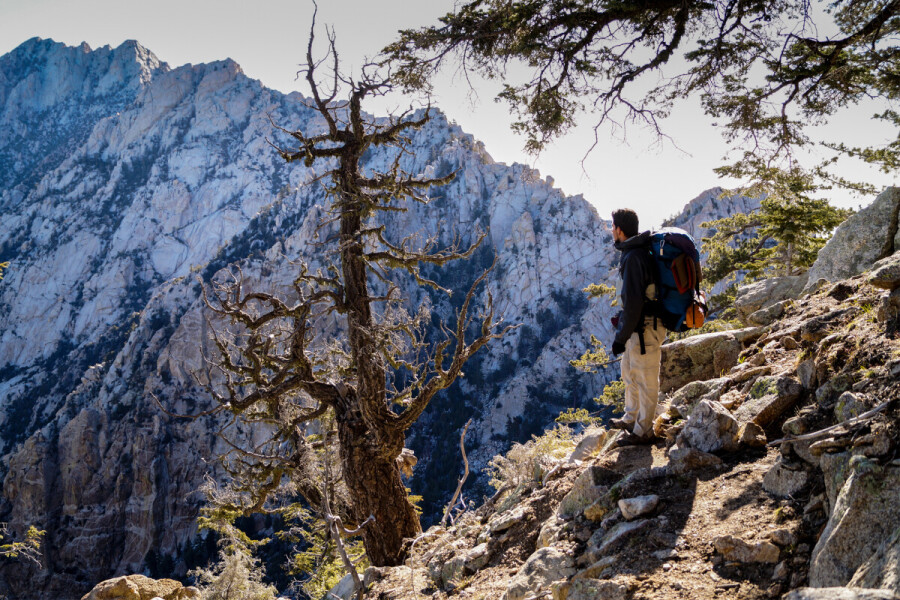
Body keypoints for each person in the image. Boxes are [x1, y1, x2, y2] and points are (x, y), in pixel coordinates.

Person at [608, 209, 664, 444]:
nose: (611, 231)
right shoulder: (634, 253)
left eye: (613, 227)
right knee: (630, 373)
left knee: (645, 378)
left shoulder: (634, 257)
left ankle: (644, 431)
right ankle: (631, 418)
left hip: (645, 328)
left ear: (619, 230)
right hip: (637, 327)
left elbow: (633, 303)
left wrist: (619, 338)